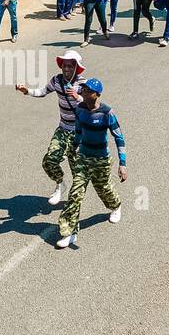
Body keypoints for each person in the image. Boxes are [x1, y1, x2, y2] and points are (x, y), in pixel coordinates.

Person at [55, 78, 126, 249]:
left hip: (101, 160)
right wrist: (73, 147)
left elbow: (119, 137)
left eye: (89, 91)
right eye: (84, 90)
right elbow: (78, 131)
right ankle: (69, 232)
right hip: (83, 158)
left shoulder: (107, 113)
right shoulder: (79, 110)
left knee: (103, 188)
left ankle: (115, 205)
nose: (84, 93)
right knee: (75, 193)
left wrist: (122, 164)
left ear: (97, 94)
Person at [16, 49, 86, 206]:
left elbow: (91, 104)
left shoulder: (82, 84)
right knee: (49, 161)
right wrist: (27, 91)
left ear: (76, 67)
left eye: (70, 66)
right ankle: (60, 184)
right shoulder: (57, 80)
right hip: (63, 129)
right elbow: (43, 91)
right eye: (64, 65)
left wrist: (78, 97)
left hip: (79, 134)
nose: (66, 69)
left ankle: (75, 202)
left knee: (77, 171)